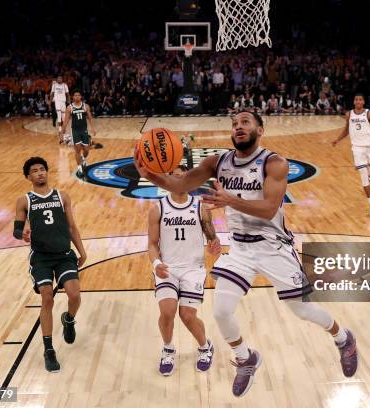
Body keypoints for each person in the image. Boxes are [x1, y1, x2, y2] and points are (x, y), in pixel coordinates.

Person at [134, 111, 358, 397]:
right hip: (240, 247)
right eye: (234, 124)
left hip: (273, 246)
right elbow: (179, 185)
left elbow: (268, 209)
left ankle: (343, 338)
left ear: (260, 130)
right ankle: (245, 357)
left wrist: (230, 200)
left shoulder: (275, 163)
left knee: (301, 309)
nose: (238, 127)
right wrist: (150, 175)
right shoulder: (218, 162)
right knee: (221, 311)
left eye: (245, 122)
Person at [13, 157, 87, 372]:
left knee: (75, 295)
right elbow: (17, 229)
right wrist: (22, 233)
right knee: (47, 296)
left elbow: (72, 226)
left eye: (42, 169)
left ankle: (69, 319)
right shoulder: (24, 200)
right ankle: (49, 350)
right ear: (28, 177)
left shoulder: (62, 196)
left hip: (64, 254)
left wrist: (82, 251)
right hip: (41, 257)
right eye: (34, 171)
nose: (40, 173)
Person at [148, 165, 220, 376]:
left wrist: (214, 244)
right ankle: (168, 349)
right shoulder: (158, 208)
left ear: (190, 180)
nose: (179, 180)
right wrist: (155, 264)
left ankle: (205, 346)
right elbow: (152, 244)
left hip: (193, 269)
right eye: (174, 177)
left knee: (187, 315)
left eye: (183, 177)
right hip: (167, 268)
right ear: (167, 180)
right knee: (167, 311)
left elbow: (212, 238)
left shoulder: (200, 208)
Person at [331, 94, 370, 216]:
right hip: (357, 148)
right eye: (356, 100)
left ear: (363, 102)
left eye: (360, 99)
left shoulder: (369, 113)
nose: (358, 101)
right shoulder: (349, 114)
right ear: (354, 102)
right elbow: (346, 130)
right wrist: (337, 140)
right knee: (363, 177)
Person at [61, 91, 96, 179]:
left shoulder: (85, 106)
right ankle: (80, 168)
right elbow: (66, 121)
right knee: (77, 149)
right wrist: (62, 131)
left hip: (84, 130)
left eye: (78, 95)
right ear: (73, 97)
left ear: (81, 97)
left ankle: (83, 159)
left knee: (86, 150)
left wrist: (93, 128)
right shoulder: (70, 107)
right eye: (75, 95)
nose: (77, 97)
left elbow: (90, 118)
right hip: (75, 131)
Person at [50, 76, 70, 144]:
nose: (59, 79)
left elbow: (67, 94)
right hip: (57, 101)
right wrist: (50, 103)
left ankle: (63, 129)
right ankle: (59, 130)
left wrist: (69, 102)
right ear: (57, 79)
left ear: (62, 79)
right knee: (59, 116)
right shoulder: (54, 85)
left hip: (63, 102)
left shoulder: (65, 85)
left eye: (60, 78)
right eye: (58, 78)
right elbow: (52, 94)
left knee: (63, 117)